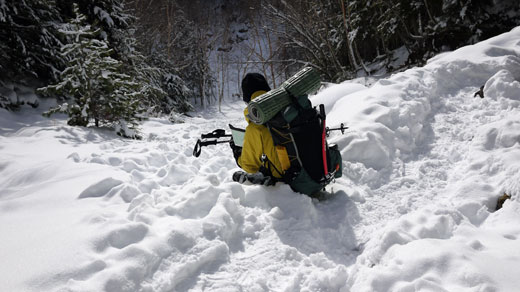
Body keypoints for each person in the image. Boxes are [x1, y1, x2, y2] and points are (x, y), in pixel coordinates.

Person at [230, 73, 284, 181]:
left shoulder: (256, 128)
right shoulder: (286, 107)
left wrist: (238, 153)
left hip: (290, 183)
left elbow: (249, 166)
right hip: (317, 173)